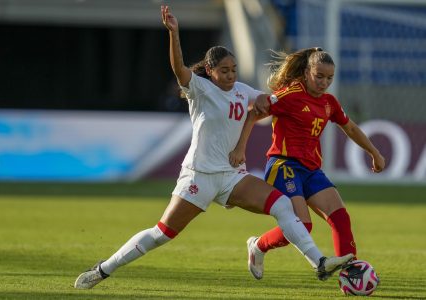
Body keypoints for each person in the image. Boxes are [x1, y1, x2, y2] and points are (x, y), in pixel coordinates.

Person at [74, 8, 353, 290]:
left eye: (233, 69)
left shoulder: (243, 91)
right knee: (163, 233)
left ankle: (319, 262)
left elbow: (271, 104)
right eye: (224, 71)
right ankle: (103, 269)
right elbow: (179, 69)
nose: (231, 75)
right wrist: (174, 33)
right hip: (200, 176)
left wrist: (293, 95)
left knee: (282, 204)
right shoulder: (200, 90)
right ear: (210, 71)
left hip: (231, 177)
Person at [229, 47, 385, 280]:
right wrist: (240, 148)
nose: (324, 82)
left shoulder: (329, 102)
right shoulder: (289, 95)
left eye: (329, 78)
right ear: (305, 73)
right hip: (283, 166)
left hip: (311, 170)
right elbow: (253, 113)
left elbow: (350, 127)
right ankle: (258, 245)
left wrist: (374, 152)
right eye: (319, 76)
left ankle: (350, 277)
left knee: (341, 218)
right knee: (304, 225)